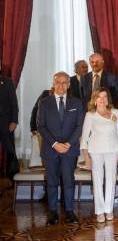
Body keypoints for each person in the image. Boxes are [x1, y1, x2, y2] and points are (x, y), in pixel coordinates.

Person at [37, 72, 84, 225]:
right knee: (51, 181)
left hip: (70, 149)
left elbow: (79, 126)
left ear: (69, 85)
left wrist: (68, 144)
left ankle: (70, 211)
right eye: (58, 82)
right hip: (51, 149)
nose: (61, 85)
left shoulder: (76, 103)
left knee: (69, 180)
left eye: (65, 82)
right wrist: (55, 144)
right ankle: (52, 212)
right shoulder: (44, 102)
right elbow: (41, 126)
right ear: (53, 83)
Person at [80, 88, 118, 222]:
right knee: (98, 181)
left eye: (105, 96)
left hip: (113, 149)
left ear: (108, 98)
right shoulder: (90, 115)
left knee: (111, 180)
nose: (102, 99)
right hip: (95, 150)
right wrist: (86, 157)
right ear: (94, 99)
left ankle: (108, 210)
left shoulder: (115, 112)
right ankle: (99, 211)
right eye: (99, 97)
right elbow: (84, 138)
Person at [0, 68, 19, 183]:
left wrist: (14, 121)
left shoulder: (7, 82)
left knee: (11, 152)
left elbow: (14, 103)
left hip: (6, 124)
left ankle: (13, 178)